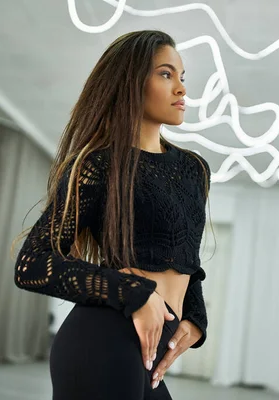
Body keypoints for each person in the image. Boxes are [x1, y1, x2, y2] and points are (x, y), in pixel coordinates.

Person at [14, 30, 211, 400]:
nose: (181, 89)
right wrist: (133, 291)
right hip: (103, 338)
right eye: (166, 74)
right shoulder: (97, 165)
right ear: (130, 83)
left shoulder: (194, 169)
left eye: (182, 77)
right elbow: (31, 264)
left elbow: (186, 258)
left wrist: (196, 317)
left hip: (150, 351)